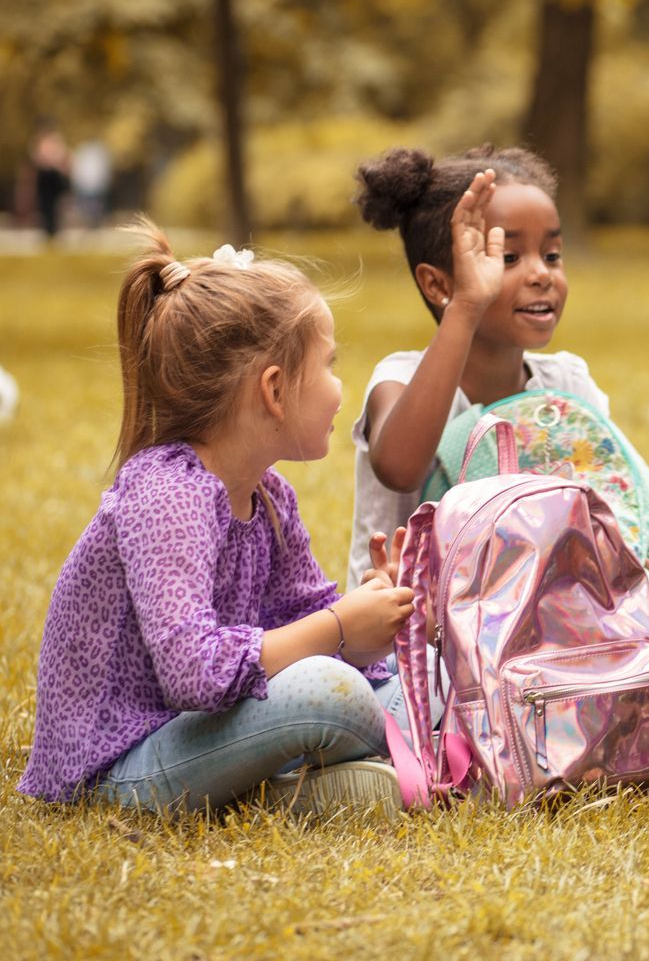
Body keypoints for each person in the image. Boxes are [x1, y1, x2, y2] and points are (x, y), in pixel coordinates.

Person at [18, 222, 418, 813]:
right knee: (331, 697)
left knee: (417, 685)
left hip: (209, 729)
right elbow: (193, 673)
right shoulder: (167, 492)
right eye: (330, 364)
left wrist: (368, 628)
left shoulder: (270, 496)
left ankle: (302, 784)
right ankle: (337, 772)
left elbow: (304, 627)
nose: (340, 388)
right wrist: (338, 627)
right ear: (275, 390)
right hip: (119, 764)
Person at [348, 146, 649, 646]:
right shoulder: (401, 379)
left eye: (551, 255)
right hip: (433, 642)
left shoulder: (566, 384)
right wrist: (467, 306)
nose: (541, 273)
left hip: (566, 620)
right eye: (507, 258)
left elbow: (615, 512)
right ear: (438, 284)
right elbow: (400, 467)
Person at [25, 116, 70, 241]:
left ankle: (54, 230)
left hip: (53, 176)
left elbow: (61, 156)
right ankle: (48, 231)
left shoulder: (55, 139)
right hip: (44, 176)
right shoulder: (38, 141)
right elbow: (36, 159)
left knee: (55, 205)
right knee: (45, 205)